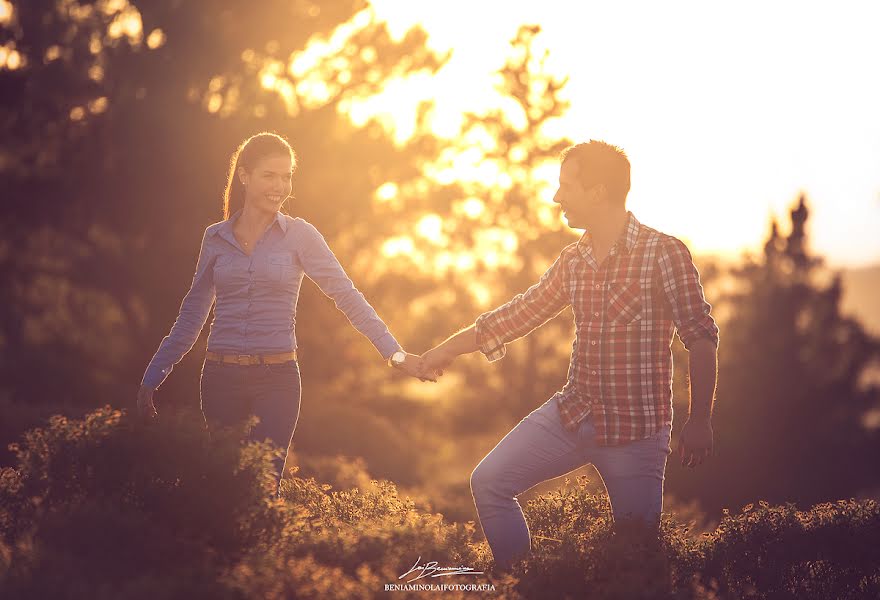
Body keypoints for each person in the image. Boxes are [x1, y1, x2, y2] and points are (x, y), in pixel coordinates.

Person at [421, 140, 719, 569]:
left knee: (638, 561)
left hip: (637, 434)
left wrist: (701, 418)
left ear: (598, 192)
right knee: (488, 482)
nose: (557, 197)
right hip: (572, 414)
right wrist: (445, 350)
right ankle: (522, 586)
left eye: (567, 186)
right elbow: (518, 314)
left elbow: (701, 336)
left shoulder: (664, 254)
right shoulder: (573, 260)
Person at [137, 132, 432, 498]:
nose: (280, 186)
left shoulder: (300, 236)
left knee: (262, 489)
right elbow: (192, 315)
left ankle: (264, 555)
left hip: (276, 381)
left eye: (286, 176)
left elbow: (347, 296)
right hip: (219, 379)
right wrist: (153, 375)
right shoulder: (214, 238)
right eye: (269, 176)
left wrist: (396, 354)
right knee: (223, 488)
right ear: (244, 176)